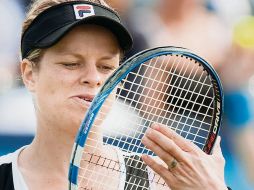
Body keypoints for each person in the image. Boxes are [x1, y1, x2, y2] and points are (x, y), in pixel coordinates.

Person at [0, 0, 230, 189]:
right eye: (71, 63)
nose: (94, 78)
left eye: (106, 67)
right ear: (29, 74)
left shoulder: (168, 182)